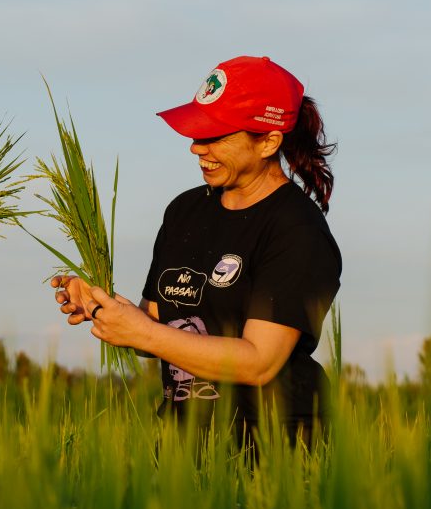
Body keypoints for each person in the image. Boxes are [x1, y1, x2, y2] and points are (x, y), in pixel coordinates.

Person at [51, 56, 340, 449]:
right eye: (195, 133)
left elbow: (260, 361)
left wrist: (145, 333)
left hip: (274, 456)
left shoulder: (296, 230)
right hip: (180, 451)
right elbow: (154, 327)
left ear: (269, 141)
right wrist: (102, 306)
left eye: (215, 135)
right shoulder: (185, 211)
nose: (195, 147)